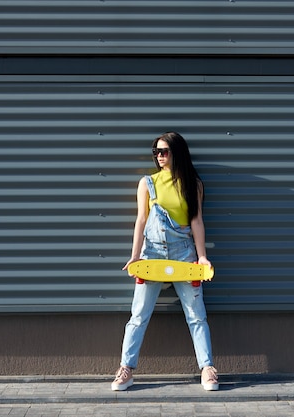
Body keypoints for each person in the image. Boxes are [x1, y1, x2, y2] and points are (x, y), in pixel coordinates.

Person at [112, 132, 218, 392]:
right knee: (138, 315)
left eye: (165, 151)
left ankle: (207, 369)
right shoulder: (147, 183)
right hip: (152, 255)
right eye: (156, 151)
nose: (160, 156)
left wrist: (202, 256)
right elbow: (141, 221)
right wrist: (135, 256)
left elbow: (196, 222)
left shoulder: (193, 184)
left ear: (177, 152)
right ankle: (126, 369)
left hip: (185, 253)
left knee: (196, 316)